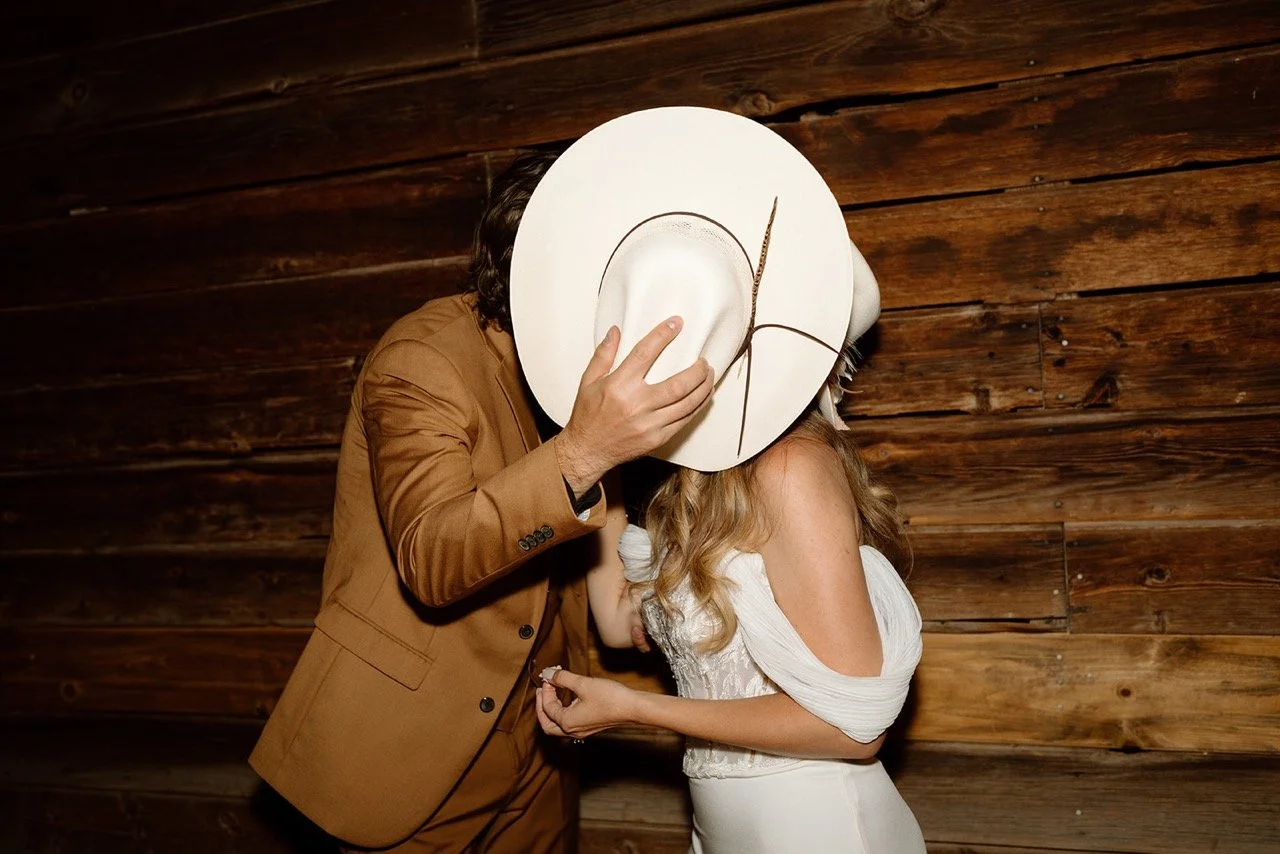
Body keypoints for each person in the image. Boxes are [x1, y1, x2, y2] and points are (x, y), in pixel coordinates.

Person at [249, 150, 715, 853]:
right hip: (409, 754)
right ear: (540, 269)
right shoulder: (423, 359)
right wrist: (584, 451)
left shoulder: (578, 378)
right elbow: (430, 559)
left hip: (542, 750)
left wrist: (671, 607)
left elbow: (612, 604)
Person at [509, 106, 927, 852]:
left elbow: (856, 729)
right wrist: (599, 458)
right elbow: (621, 623)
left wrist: (636, 711)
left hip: (818, 826)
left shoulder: (791, 468)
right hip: (723, 827)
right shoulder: (691, 484)